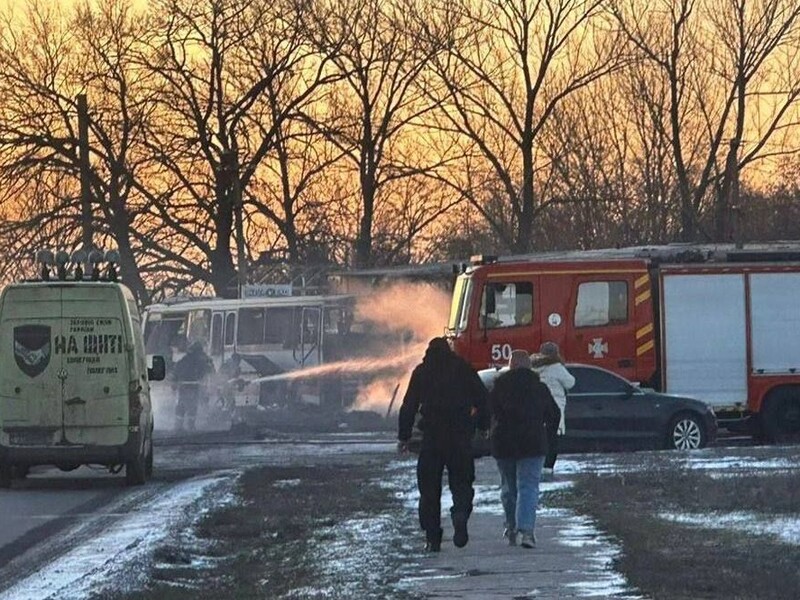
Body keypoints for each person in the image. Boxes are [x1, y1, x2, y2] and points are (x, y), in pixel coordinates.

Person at [398, 337, 490, 552]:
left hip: (432, 438)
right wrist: (482, 425)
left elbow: (409, 405)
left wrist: (404, 436)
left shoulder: (422, 371)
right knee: (462, 482)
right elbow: (483, 399)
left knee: (429, 490)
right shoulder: (463, 369)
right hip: (460, 437)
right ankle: (460, 514)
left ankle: (432, 537)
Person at [490, 349, 560, 549]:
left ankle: (511, 526)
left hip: (504, 444)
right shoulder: (540, 388)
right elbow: (553, 414)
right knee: (528, 487)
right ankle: (527, 531)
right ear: (530, 366)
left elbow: (490, 412)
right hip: (533, 443)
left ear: (510, 365)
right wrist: (547, 431)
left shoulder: (499, 387)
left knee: (509, 488)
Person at [532, 342, 575, 479]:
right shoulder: (556, 367)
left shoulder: (533, 366)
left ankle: (537, 465)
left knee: (538, 437)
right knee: (552, 440)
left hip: (535, 407)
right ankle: (548, 469)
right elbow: (570, 382)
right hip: (554, 405)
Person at [171, 341, 214, 432]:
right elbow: (209, 371)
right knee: (192, 406)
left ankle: (179, 426)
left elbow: (175, 372)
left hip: (183, 386)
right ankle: (190, 425)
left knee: (181, 405)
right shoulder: (201, 361)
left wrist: (174, 384)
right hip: (194, 386)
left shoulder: (184, 360)